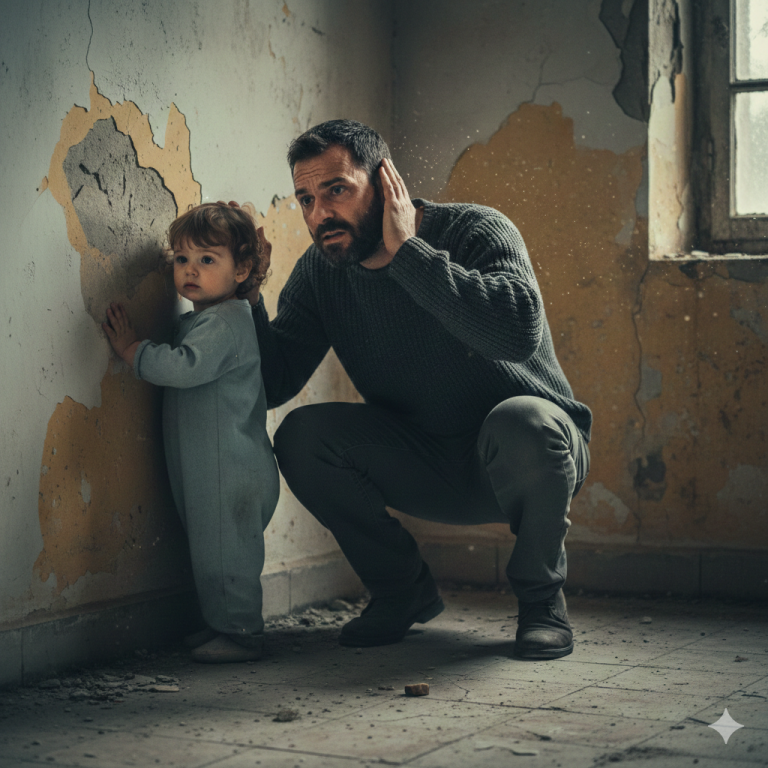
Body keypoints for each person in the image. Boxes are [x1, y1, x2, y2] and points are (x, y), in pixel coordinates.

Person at [247, 119, 592, 660]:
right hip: (424, 460)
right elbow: (272, 384)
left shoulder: (477, 230)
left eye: (336, 190)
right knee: (302, 435)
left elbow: (515, 333)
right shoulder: (322, 272)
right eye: (306, 199)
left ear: (387, 183)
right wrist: (247, 295)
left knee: (523, 420)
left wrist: (408, 253)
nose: (319, 215)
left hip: (528, 455)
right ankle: (399, 590)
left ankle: (542, 601)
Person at [103, 202, 280, 664]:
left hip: (232, 468)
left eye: (207, 260)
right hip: (214, 465)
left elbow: (186, 368)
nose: (190, 271)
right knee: (213, 550)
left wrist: (132, 350)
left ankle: (242, 634)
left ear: (242, 269)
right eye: (182, 259)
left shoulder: (225, 321)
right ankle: (221, 623)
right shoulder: (207, 319)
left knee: (227, 555)